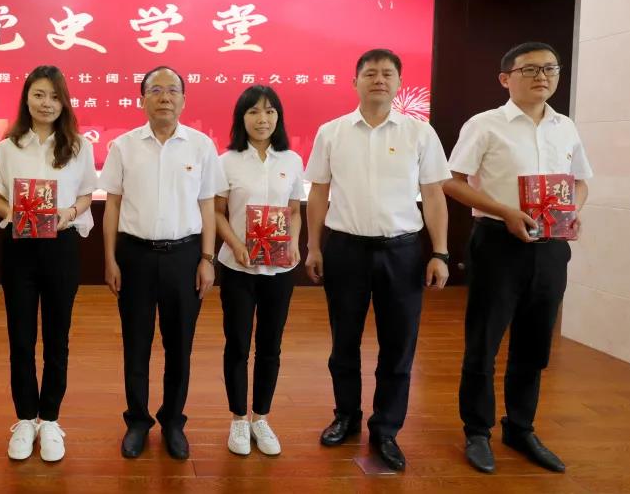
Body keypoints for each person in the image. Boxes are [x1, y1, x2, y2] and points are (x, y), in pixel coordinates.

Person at [444, 42, 591, 475]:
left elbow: (580, 182)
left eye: (550, 68)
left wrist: (573, 210)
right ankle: (477, 431)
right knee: (484, 342)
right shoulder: (485, 124)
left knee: (535, 343)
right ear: (505, 78)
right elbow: (452, 181)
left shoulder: (565, 127)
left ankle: (521, 427)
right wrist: (505, 211)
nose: (542, 76)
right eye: (530, 69)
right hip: (498, 242)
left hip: (552, 246)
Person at [303, 48, 450, 472]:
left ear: (399, 83)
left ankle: (386, 429)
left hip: (402, 252)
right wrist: (314, 247)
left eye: (388, 73)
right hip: (345, 249)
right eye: (370, 73)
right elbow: (318, 192)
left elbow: (434, 195)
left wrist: (439, 252)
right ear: (355, 82)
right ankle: (346, 416)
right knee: (343, 342)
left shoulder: (420, 133)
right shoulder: (331, 132)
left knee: (398, 345)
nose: (379, 80)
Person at [99, 65, 223, 461]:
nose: (164, 97)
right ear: (142, 100)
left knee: (179, 345)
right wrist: (110, 258)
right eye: (155, 90)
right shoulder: (123, 146)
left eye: (172, 90)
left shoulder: (201, 146)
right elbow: (112, 205)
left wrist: (207, 259)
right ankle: (137, 421)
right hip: (134, 255)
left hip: (185, 257)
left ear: (184, 99)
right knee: (136, 344)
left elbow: (208, 206)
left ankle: (172, 421)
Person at [0, 66, 97, 462]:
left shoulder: (78, 146)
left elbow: (86, 195)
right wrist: (15, 212)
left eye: (54, 96)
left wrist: (68, 212)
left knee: (57, 337)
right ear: (27, 98)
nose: (46, 103)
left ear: (63, 102)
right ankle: (24, 418)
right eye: (38, 94)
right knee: (20, 337)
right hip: (19, 248)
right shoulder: (8, 146)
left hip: (61, 247)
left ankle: (49, 419)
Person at [215, 86, 304, 457]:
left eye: (269, 111)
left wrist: (294, 242)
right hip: (237, 267)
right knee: (237, 343)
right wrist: (236, 245)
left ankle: (261, 417)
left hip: (280, 268)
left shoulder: (292, 160)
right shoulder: (227, 161)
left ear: (278, 117)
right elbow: (217, 212)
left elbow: (294, 211)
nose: (262, 119)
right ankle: (238, 418)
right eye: (253, 112)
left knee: (270, 345)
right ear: (242, 118)